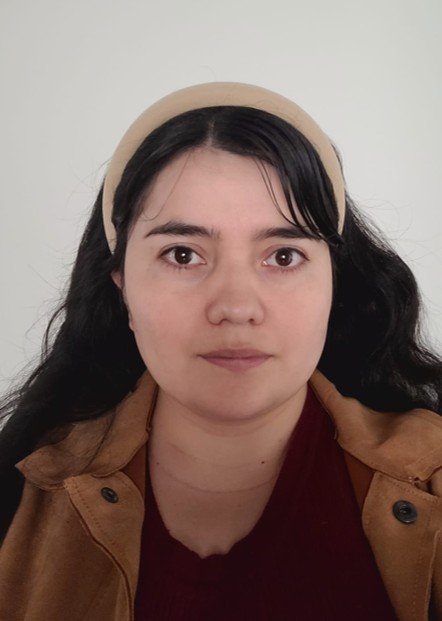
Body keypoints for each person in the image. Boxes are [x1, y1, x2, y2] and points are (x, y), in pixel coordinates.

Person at [0, 82, 440, 621]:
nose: (236, 307)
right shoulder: (19, 495)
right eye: (183, 254)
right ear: (122, 287)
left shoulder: (433, 478)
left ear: (334, 283)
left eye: (283, 256)